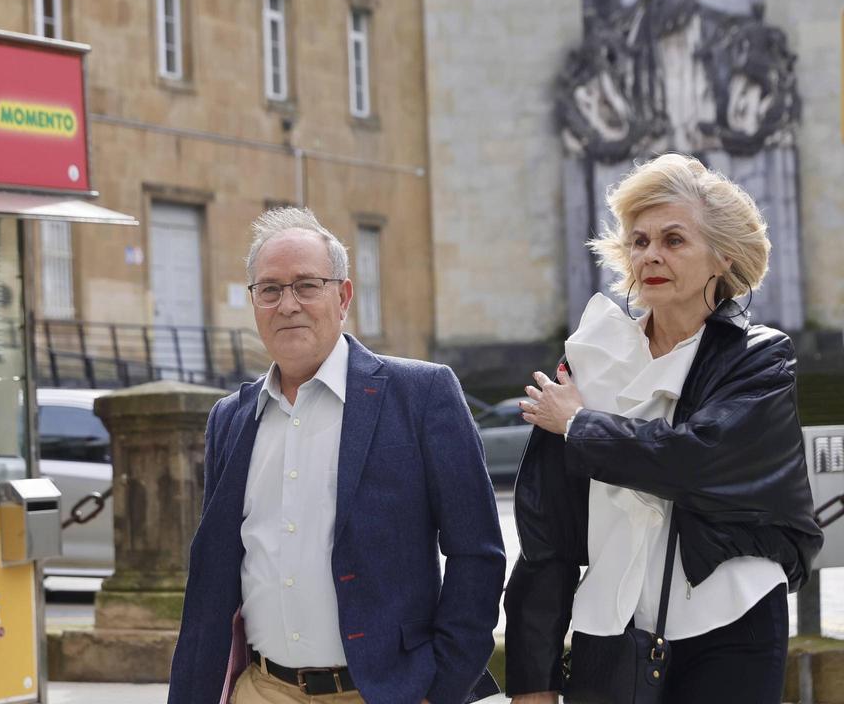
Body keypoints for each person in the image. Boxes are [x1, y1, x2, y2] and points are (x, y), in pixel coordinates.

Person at [504, 154, 823, 703]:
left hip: (732, 625)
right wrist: (533, 679)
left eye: (674, 240)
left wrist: (579, 423)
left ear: (721, 257)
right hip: (609, 631)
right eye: (639, 240)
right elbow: (545, 526)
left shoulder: (760, 359)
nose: (651, 254)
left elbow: (696, 459)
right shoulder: (589, 358)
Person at [169, 207, 505, 704]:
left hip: (382, 693)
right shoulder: (230, 419)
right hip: (261, 690)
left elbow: (477, 554)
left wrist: (440, 687)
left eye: (307, 285)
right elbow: (213, 581)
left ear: (343, 296)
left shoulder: (421, 394)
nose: (288, 304)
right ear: (255, 301)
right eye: (270, 289)